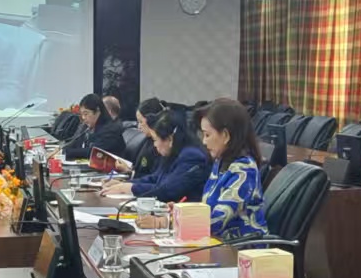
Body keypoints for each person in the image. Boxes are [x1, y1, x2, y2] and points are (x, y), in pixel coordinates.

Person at [102, 108, 210, 204]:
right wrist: (124, 184)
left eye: (155, 140)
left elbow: (167, 190)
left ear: (170, 139)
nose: (154, 145)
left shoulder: (192, 156)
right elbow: (155, 178)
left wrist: (130, 188)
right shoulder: (173, 152)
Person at [197, 98, 266, 239]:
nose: (204, 141)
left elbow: (217, 220)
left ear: (225, 135)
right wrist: (182, 212)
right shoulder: (220, 162)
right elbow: (207, 209)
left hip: (241, 247)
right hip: (216, 242)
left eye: (207, 135)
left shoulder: (244, 170)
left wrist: (173, 220)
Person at [63, 93, 129, 161]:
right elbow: (76, 144)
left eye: (86, 114)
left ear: (97, 111)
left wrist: (67, 152)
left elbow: (93, 152)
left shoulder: (111, 130)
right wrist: (63, 150)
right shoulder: (87, 128)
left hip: (112, 167)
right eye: (82, 114)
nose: (83, 117)